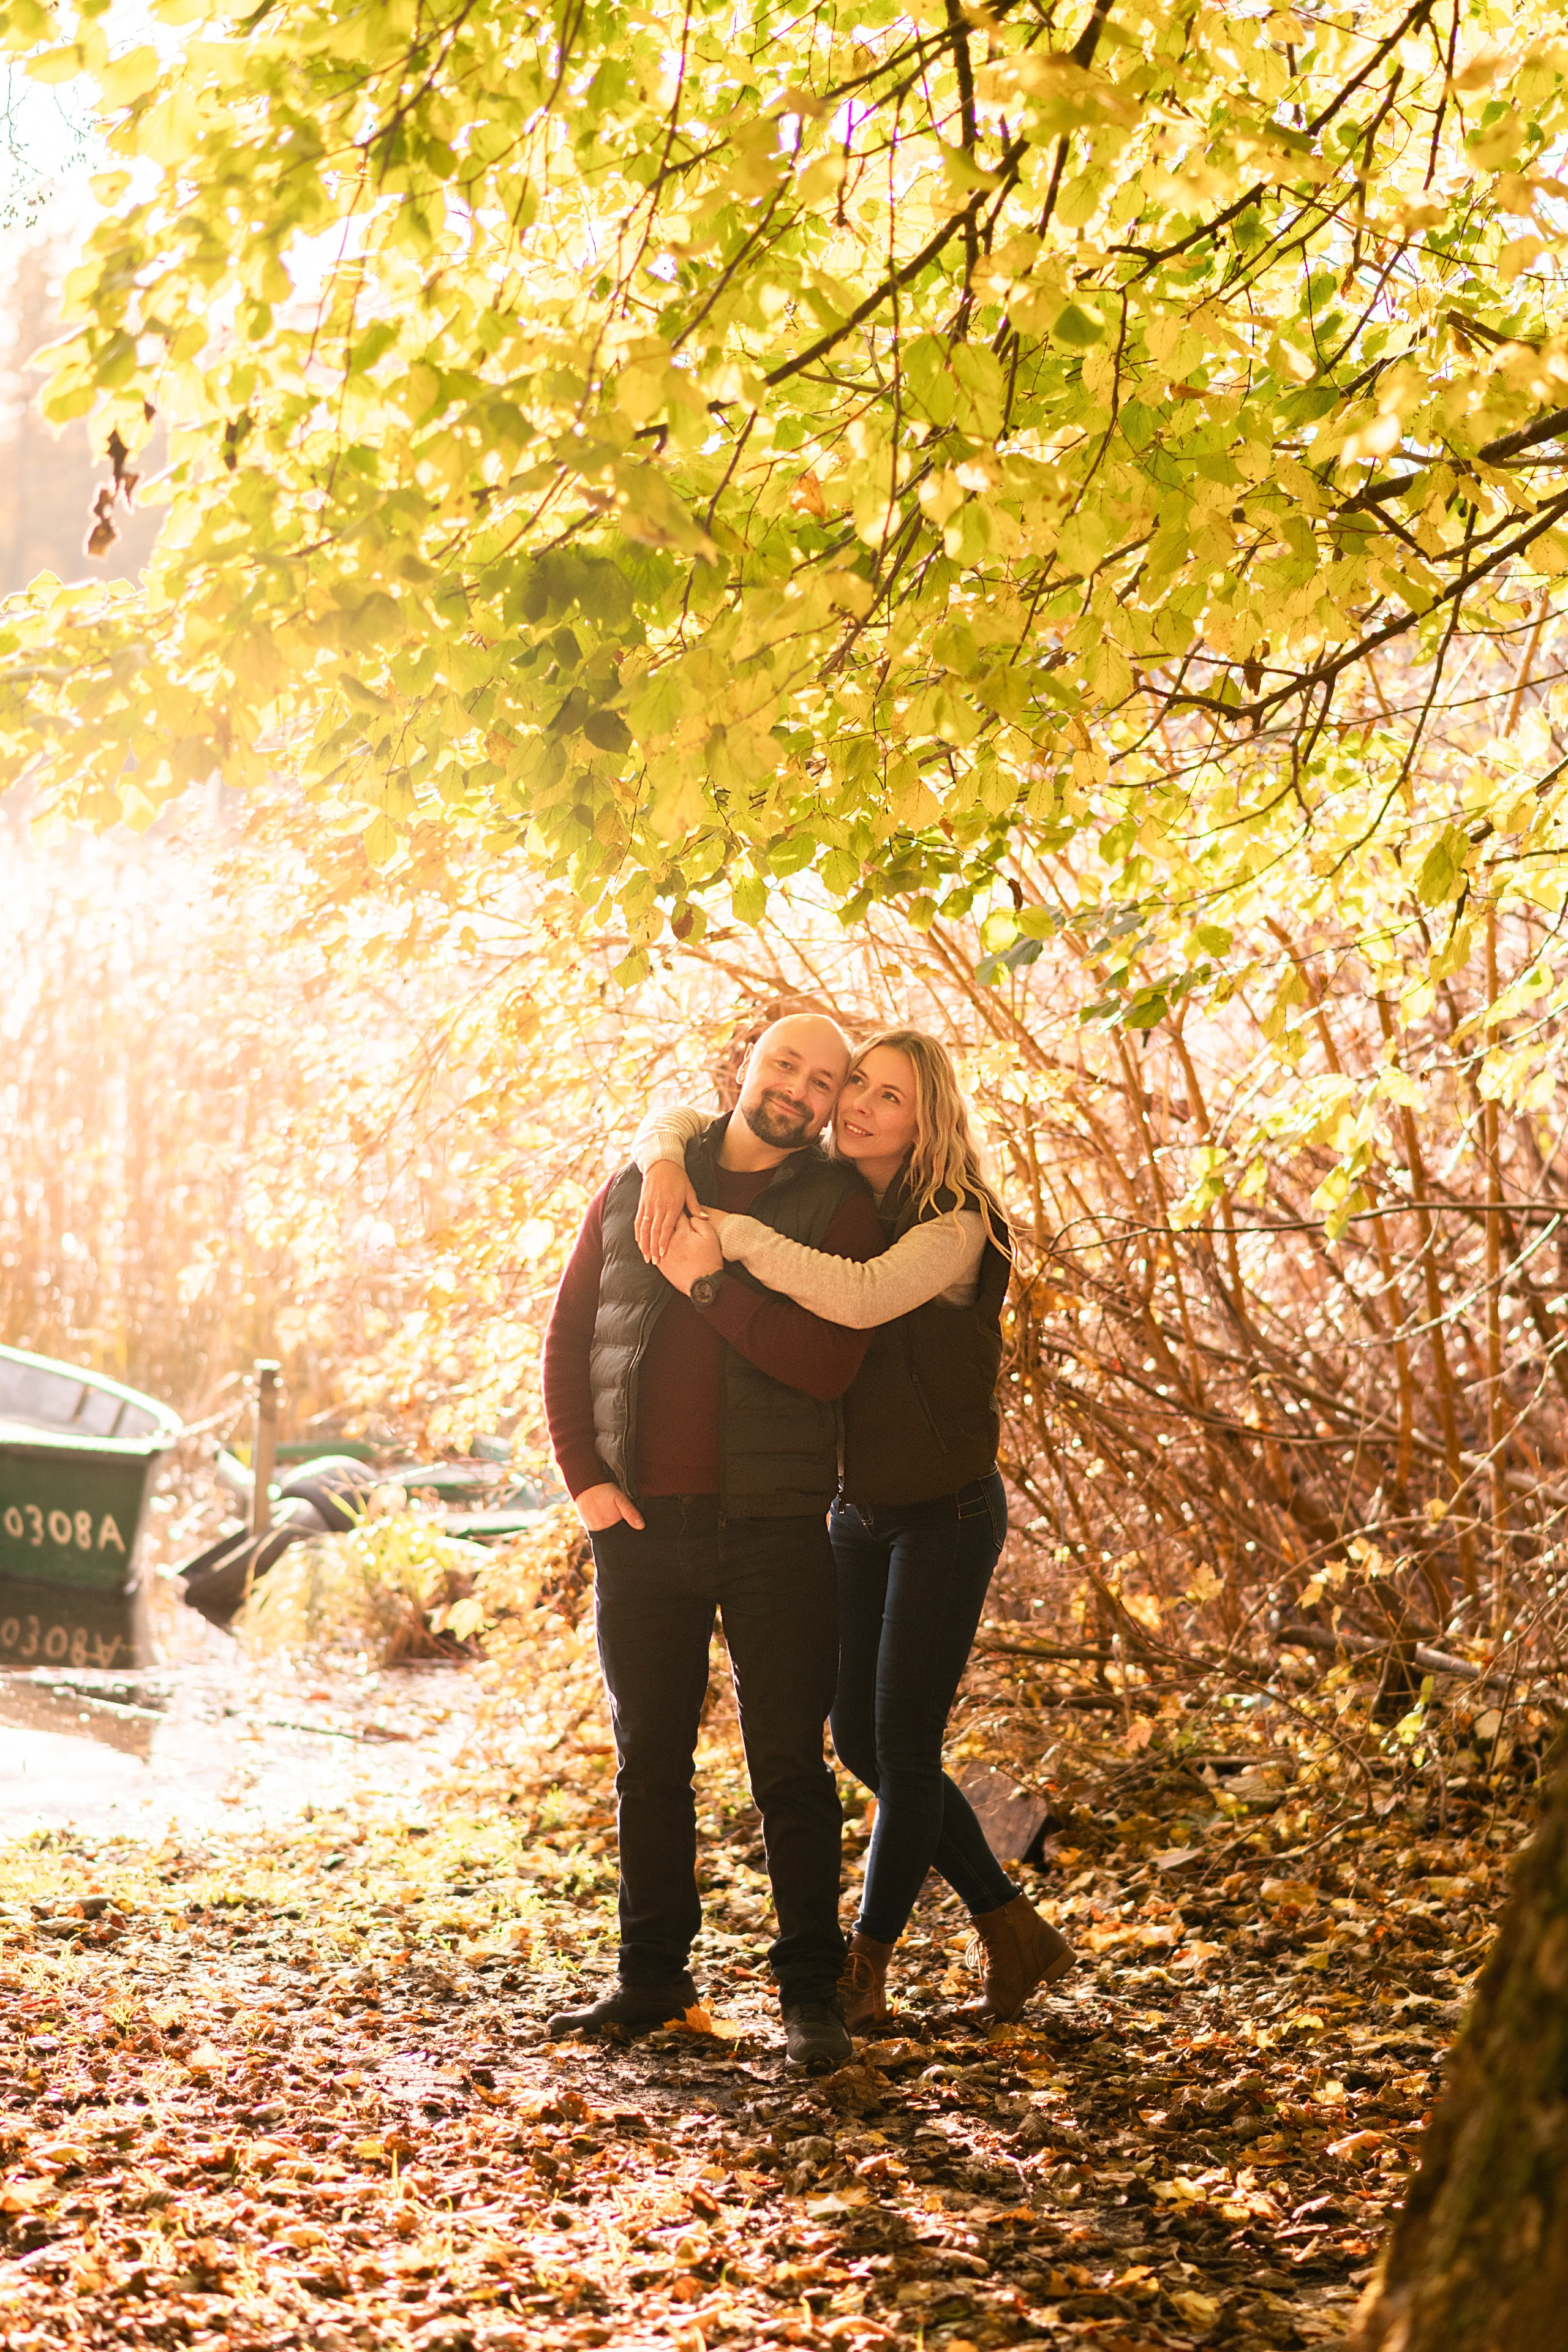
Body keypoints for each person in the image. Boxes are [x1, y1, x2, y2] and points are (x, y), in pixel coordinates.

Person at [637, 1028, 1074, 2032]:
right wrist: (663, 1157)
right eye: (860, 1087)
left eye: (892, 1097)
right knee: (859, 1743)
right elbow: (686, 1119)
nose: (862, 1107)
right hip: (856, 1510)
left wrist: (731, 1236)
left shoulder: (958, 1224)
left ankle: (862, 1970)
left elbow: (861, 1296)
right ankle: (1012, 1926)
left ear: (929, 1120)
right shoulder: (838, 1193)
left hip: (946, 1512)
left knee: (902, 1747)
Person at [541, 1012, 887, 2071]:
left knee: (789, 1766)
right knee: (649, 1761)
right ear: (748, 1068)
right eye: (785, 1065)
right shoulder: (640, 1181)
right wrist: (588, 1485)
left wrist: (710, 1284)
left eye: (823, 1081)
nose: (798, 1090)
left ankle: (810, 1998)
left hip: (776, 1526)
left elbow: (829, 1364)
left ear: (833, 1103)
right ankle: (652, 1979)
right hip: (642, 1527)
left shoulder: (837, 1206)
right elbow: (570, 1334)